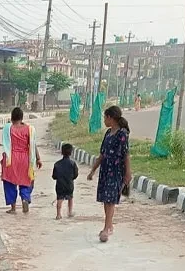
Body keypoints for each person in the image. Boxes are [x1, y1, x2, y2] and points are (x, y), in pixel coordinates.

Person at [86, 104, 132, 243]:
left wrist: (128, 173)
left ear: (110, 118)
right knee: (106, 198)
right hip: (106, 169)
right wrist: (93, 170)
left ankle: (106, 228)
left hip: (116, 170)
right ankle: (109, 225)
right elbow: (102, 154)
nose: (104, 121)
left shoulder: (122, 134)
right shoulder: (108, 133)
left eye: (105, 118)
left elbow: (126, 154)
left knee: (111, 199)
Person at [0, 107, 41, 214]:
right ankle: (25, 198)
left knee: (9, 182)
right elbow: (33, 145)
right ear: (22, 117)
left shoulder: (7, 128)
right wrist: (38, 159)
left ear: (12, 117)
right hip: (25, 158)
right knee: (26, 180)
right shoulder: (29, 129)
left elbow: (5, 144)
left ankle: (13, 208)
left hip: (11, 158)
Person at [52, 143, 79, 220]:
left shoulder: (57, 164)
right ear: (71, 153)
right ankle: (70, 212)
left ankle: (58, 214)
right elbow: (76, 175)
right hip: (69, 185)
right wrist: (71, 178)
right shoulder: (73, 163)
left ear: (61, 152)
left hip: (60, 185)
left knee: (59, 199)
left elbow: (54, 176)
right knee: (70, 198)